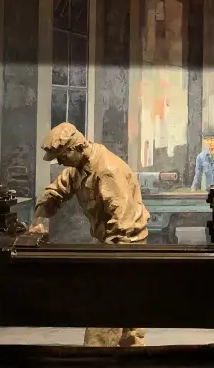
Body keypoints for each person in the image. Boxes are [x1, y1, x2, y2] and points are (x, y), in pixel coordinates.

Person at [30, 122, 150, 347]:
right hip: (110, 241)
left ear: (76, 148)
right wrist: (39, 219)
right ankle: (132, 351)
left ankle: (95, 356)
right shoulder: (78, 167)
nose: (59, 162)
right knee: (128, 315)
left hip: (126, 245)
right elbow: (56, 192)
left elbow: (123, 226)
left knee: (106, 309)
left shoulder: (107, 171)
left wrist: (109, 264)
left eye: (61, 156)